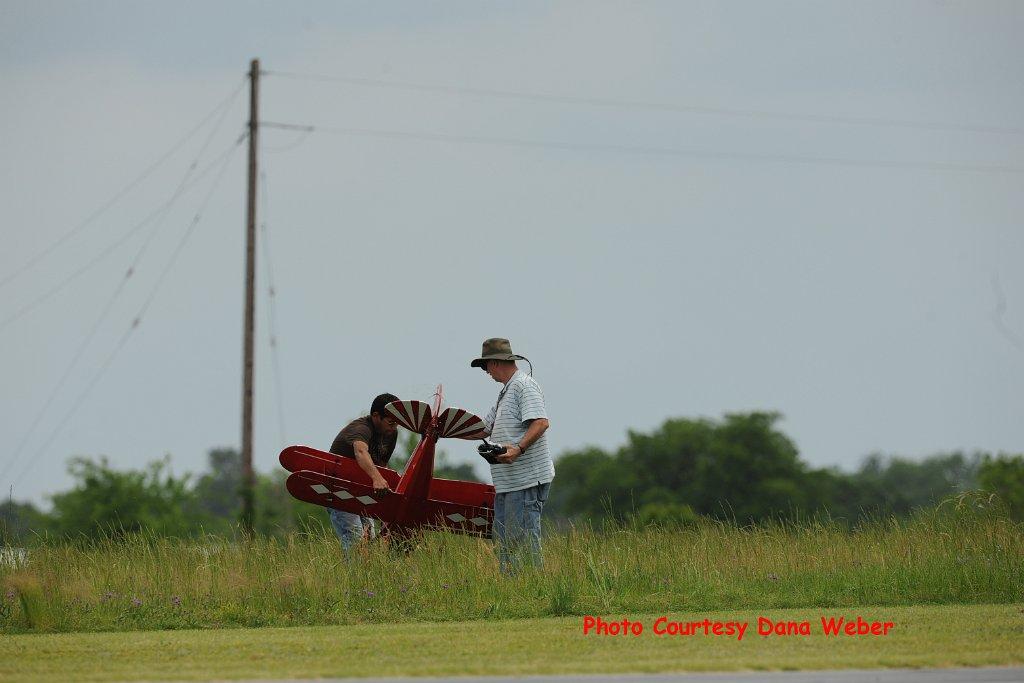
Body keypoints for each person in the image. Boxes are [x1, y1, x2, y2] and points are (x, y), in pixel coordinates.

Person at [471, 338, 553, 573]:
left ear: (496, 363)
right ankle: (515, 592)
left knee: (523, 542)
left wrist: (518, 448)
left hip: (525, 480)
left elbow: (541, 422)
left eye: (486, 366)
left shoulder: (524, 386)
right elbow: (483, 429)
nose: (486, 372)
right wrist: (441, 431)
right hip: (508, 482)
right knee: (506, 542)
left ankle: (532, 593)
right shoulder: (506, 392)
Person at [327, 392, 400, 552]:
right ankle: (351, 577)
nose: (394, 428)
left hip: (361, 491)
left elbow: (382, 466)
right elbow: (360, 451)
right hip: (339, 490)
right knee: (355, 537)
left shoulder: (391, 434)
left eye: (397, 424)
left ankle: (363, 577)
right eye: (391, 423)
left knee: (369, 537)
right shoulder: (361, 429)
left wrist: (386, 506)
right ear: (376, 416)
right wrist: (377, 479)